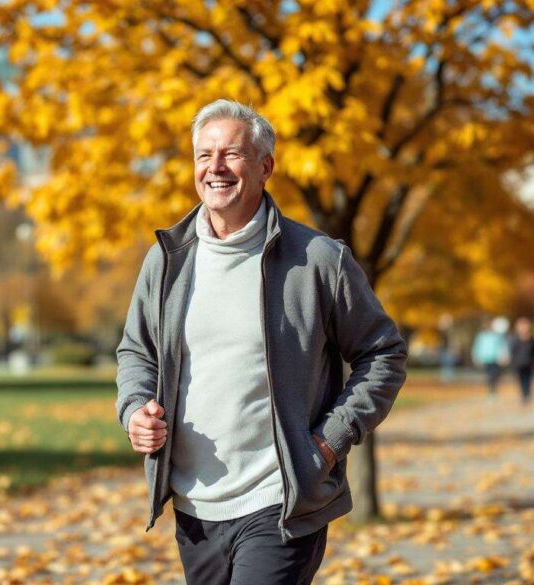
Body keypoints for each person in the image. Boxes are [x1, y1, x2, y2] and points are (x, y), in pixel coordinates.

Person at [115, 100, 408, 585]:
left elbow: (383, 353)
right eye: (204, 155)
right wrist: (133, 410)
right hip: (194, 506)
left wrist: (328, 443)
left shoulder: (318, 260)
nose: (215, 168)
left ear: (265, 166)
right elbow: (136, 352)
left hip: (281, 500)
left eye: (231, 154)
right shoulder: (167, 261)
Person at [471, 316, 510, 396]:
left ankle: (494, 388)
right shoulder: (481, 336)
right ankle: (491, 389)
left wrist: (505, 356)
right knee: (489, 375)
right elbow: (477, 347)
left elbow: (503, 346)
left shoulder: (497, 335)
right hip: (486, 359)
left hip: (496, 358)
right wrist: (476, 357)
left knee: (495, 374)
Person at [510, 317, 534, 405]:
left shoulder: (532, 339)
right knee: (520, 380)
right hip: (518, 363)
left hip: (529, 363)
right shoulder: (515, 339)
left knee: (528, 379)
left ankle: (527, 394)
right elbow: (512, 350)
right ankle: (523, 394)